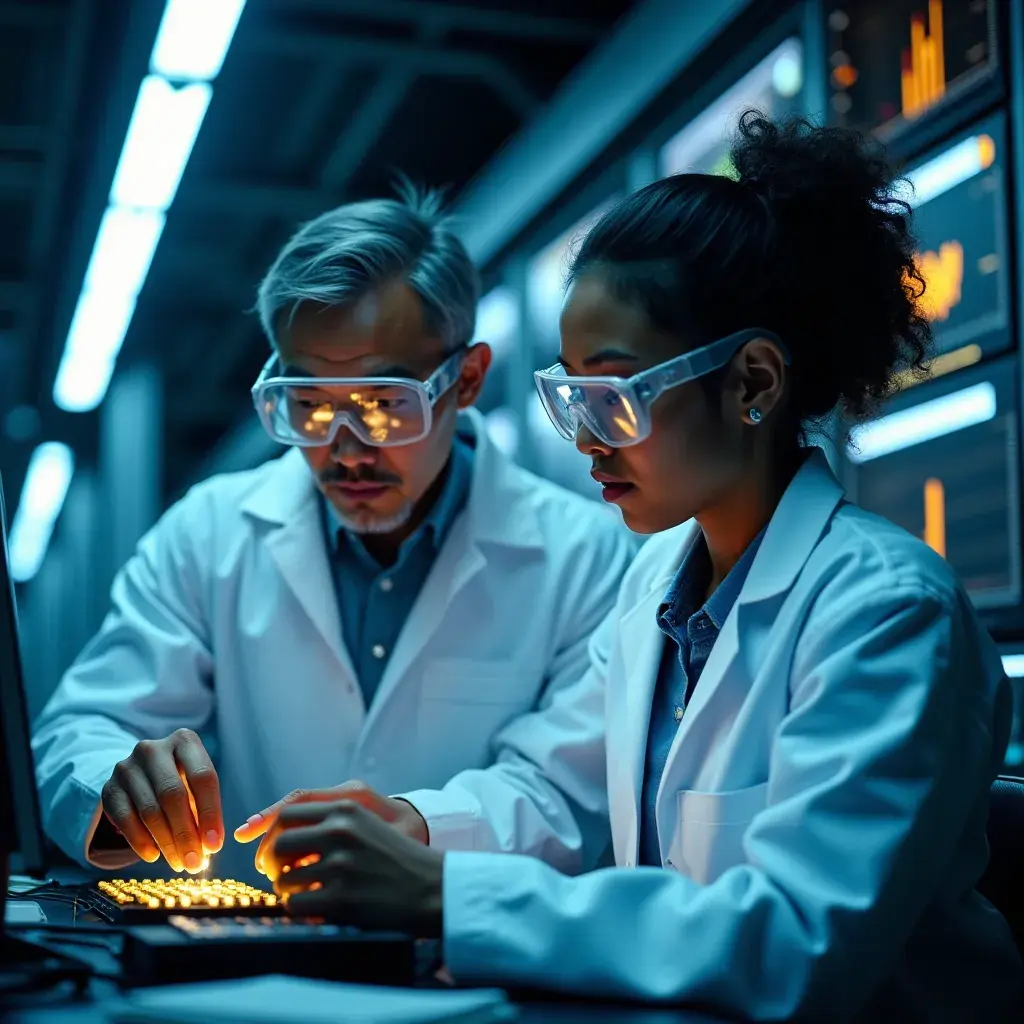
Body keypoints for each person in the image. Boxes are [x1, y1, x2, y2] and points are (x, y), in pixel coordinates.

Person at [255, 114, 1024, 1020]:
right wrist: (414, 829)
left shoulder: (888, 613)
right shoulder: (657, 583)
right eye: (571, 396)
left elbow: (793, 940)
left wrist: (438, 893)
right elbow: (565, 798)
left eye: (613, 398)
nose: (583, 440)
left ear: (753, 384)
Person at [32, 188, 634, 884]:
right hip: (243, 964)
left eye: (383, 405)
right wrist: (120, 786)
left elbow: (565, 790)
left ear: (465, 380)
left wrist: (415, 829)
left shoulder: (587, 558)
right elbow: (79, 729)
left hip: (463, 961)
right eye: (309, 406)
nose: (345, 450)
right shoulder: (207, 533)